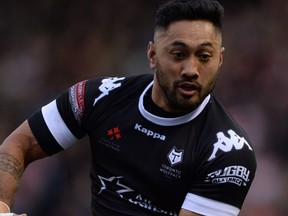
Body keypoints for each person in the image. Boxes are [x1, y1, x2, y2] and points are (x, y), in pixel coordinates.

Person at [0, 0, 257, 215]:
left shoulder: (228, 154)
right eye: (178, 54)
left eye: (204, 56)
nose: (191, 70)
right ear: (152, 56)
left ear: (220, 59)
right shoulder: (99, 96)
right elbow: (18, 145)